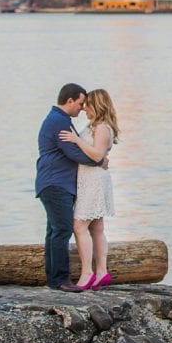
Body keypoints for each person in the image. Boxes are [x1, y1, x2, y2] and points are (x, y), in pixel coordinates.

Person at [34, 83, 108, 292]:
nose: (82, 108)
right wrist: (99, 161)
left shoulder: (59, 119)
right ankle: (61, 280)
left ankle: (54, 279)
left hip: (54, 182)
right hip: (56, 183)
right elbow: (73, 153)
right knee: (62, 230)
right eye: (80, 103)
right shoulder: (59, 122)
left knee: (54, 231)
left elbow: (73, 150)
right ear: (70, 101)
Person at [59, 88, 119, 290]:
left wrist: (76, 140)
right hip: (89, 178)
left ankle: (88, 273)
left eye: (88, 105)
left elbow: (96, 155)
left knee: (79, 226)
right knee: (96, 227)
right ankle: (102, 272)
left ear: (97, 105)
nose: (84, 108)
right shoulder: (95, 126)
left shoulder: (102, 127)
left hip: (93, 180)